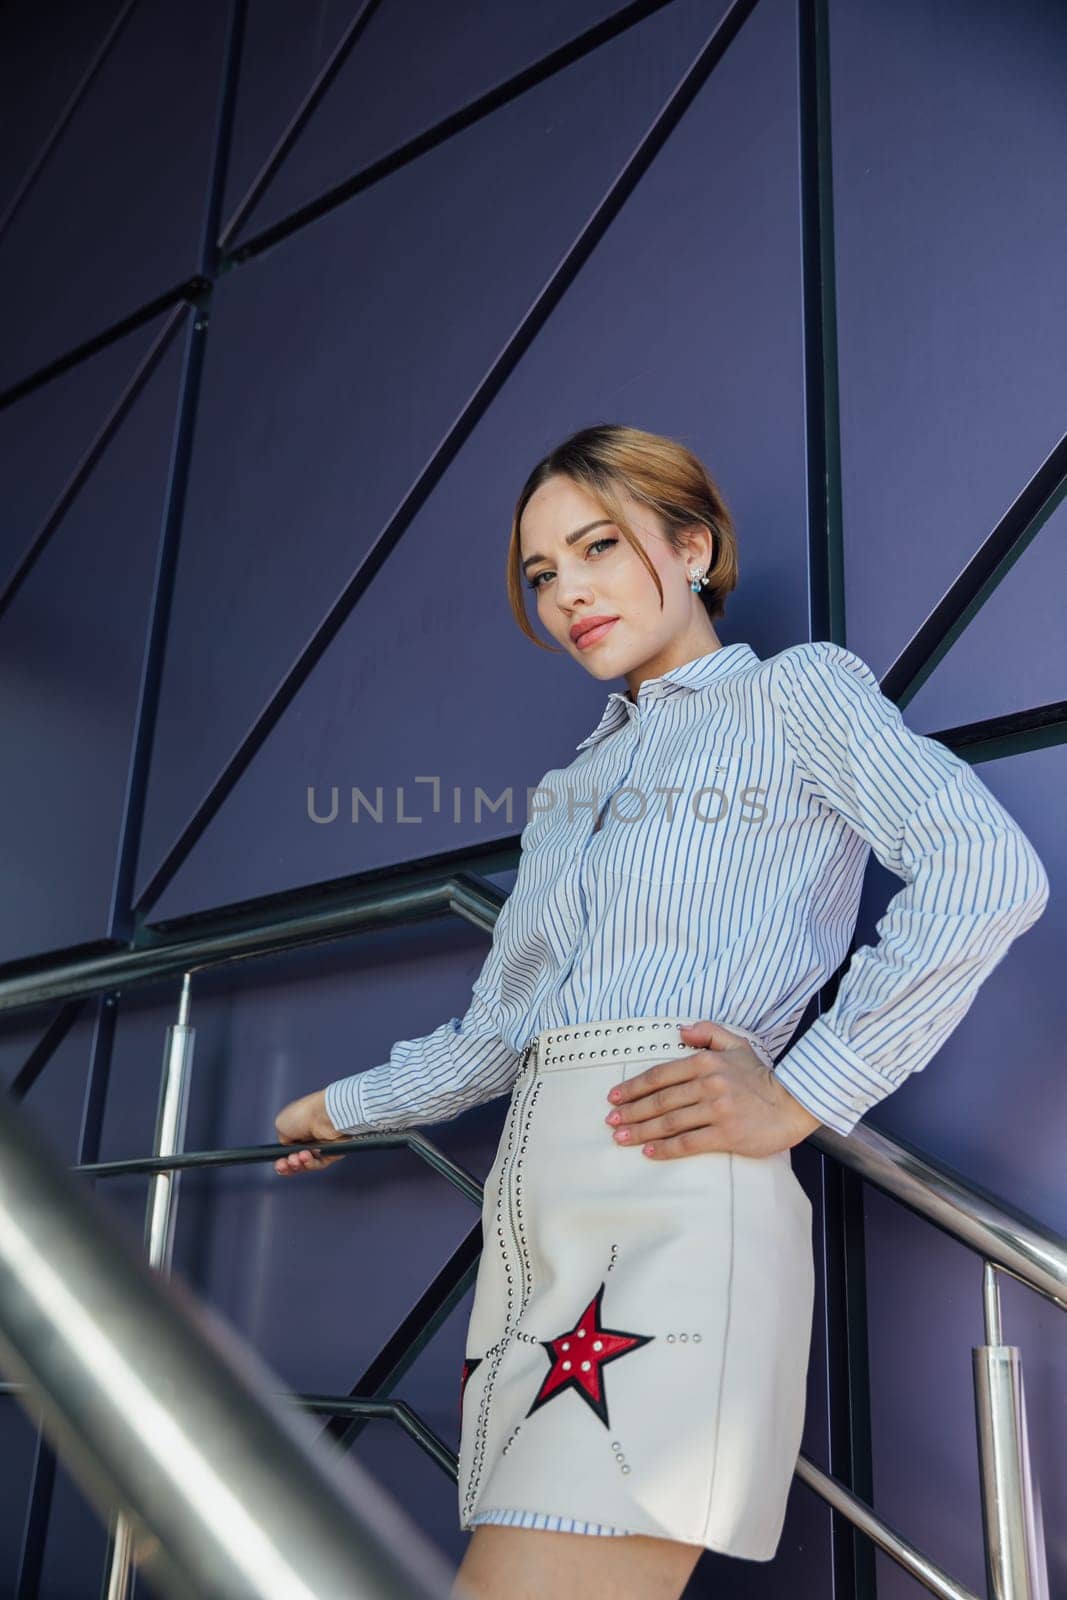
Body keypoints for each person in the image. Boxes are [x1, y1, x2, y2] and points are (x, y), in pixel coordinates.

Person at [273, 425, 1049, 1600]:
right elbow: (500, 1033)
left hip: (677, 1218)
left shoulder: (795, 695)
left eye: (596, 546)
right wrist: (333, 1106)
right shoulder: (568, 790)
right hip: (537, 1246)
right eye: (540, 575)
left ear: (691, 547)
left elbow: (985, 872)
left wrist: (804, 1090)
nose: (567, 592)